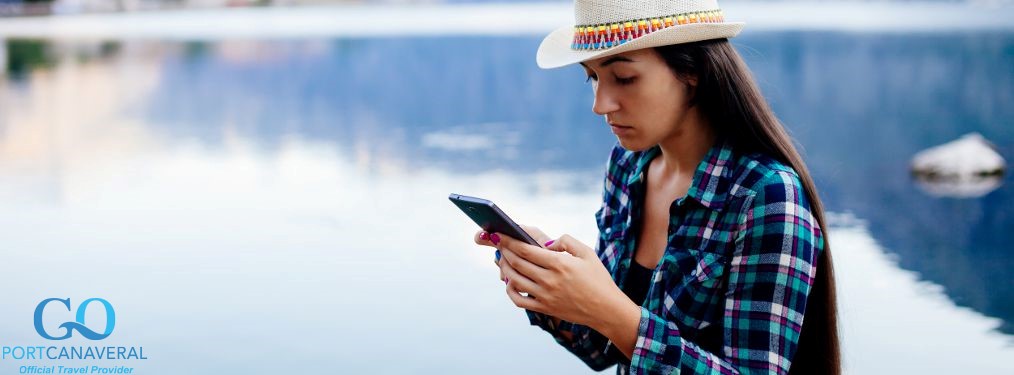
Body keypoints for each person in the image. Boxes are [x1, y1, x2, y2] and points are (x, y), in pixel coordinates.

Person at [472, 0, 839, 374]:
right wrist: (549, 280)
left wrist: (609, 310)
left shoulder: (766, 197)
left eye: (624, 78)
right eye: (593, 77)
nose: (600, 104)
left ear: (692, 73)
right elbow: (601, 349)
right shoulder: (627, 167)